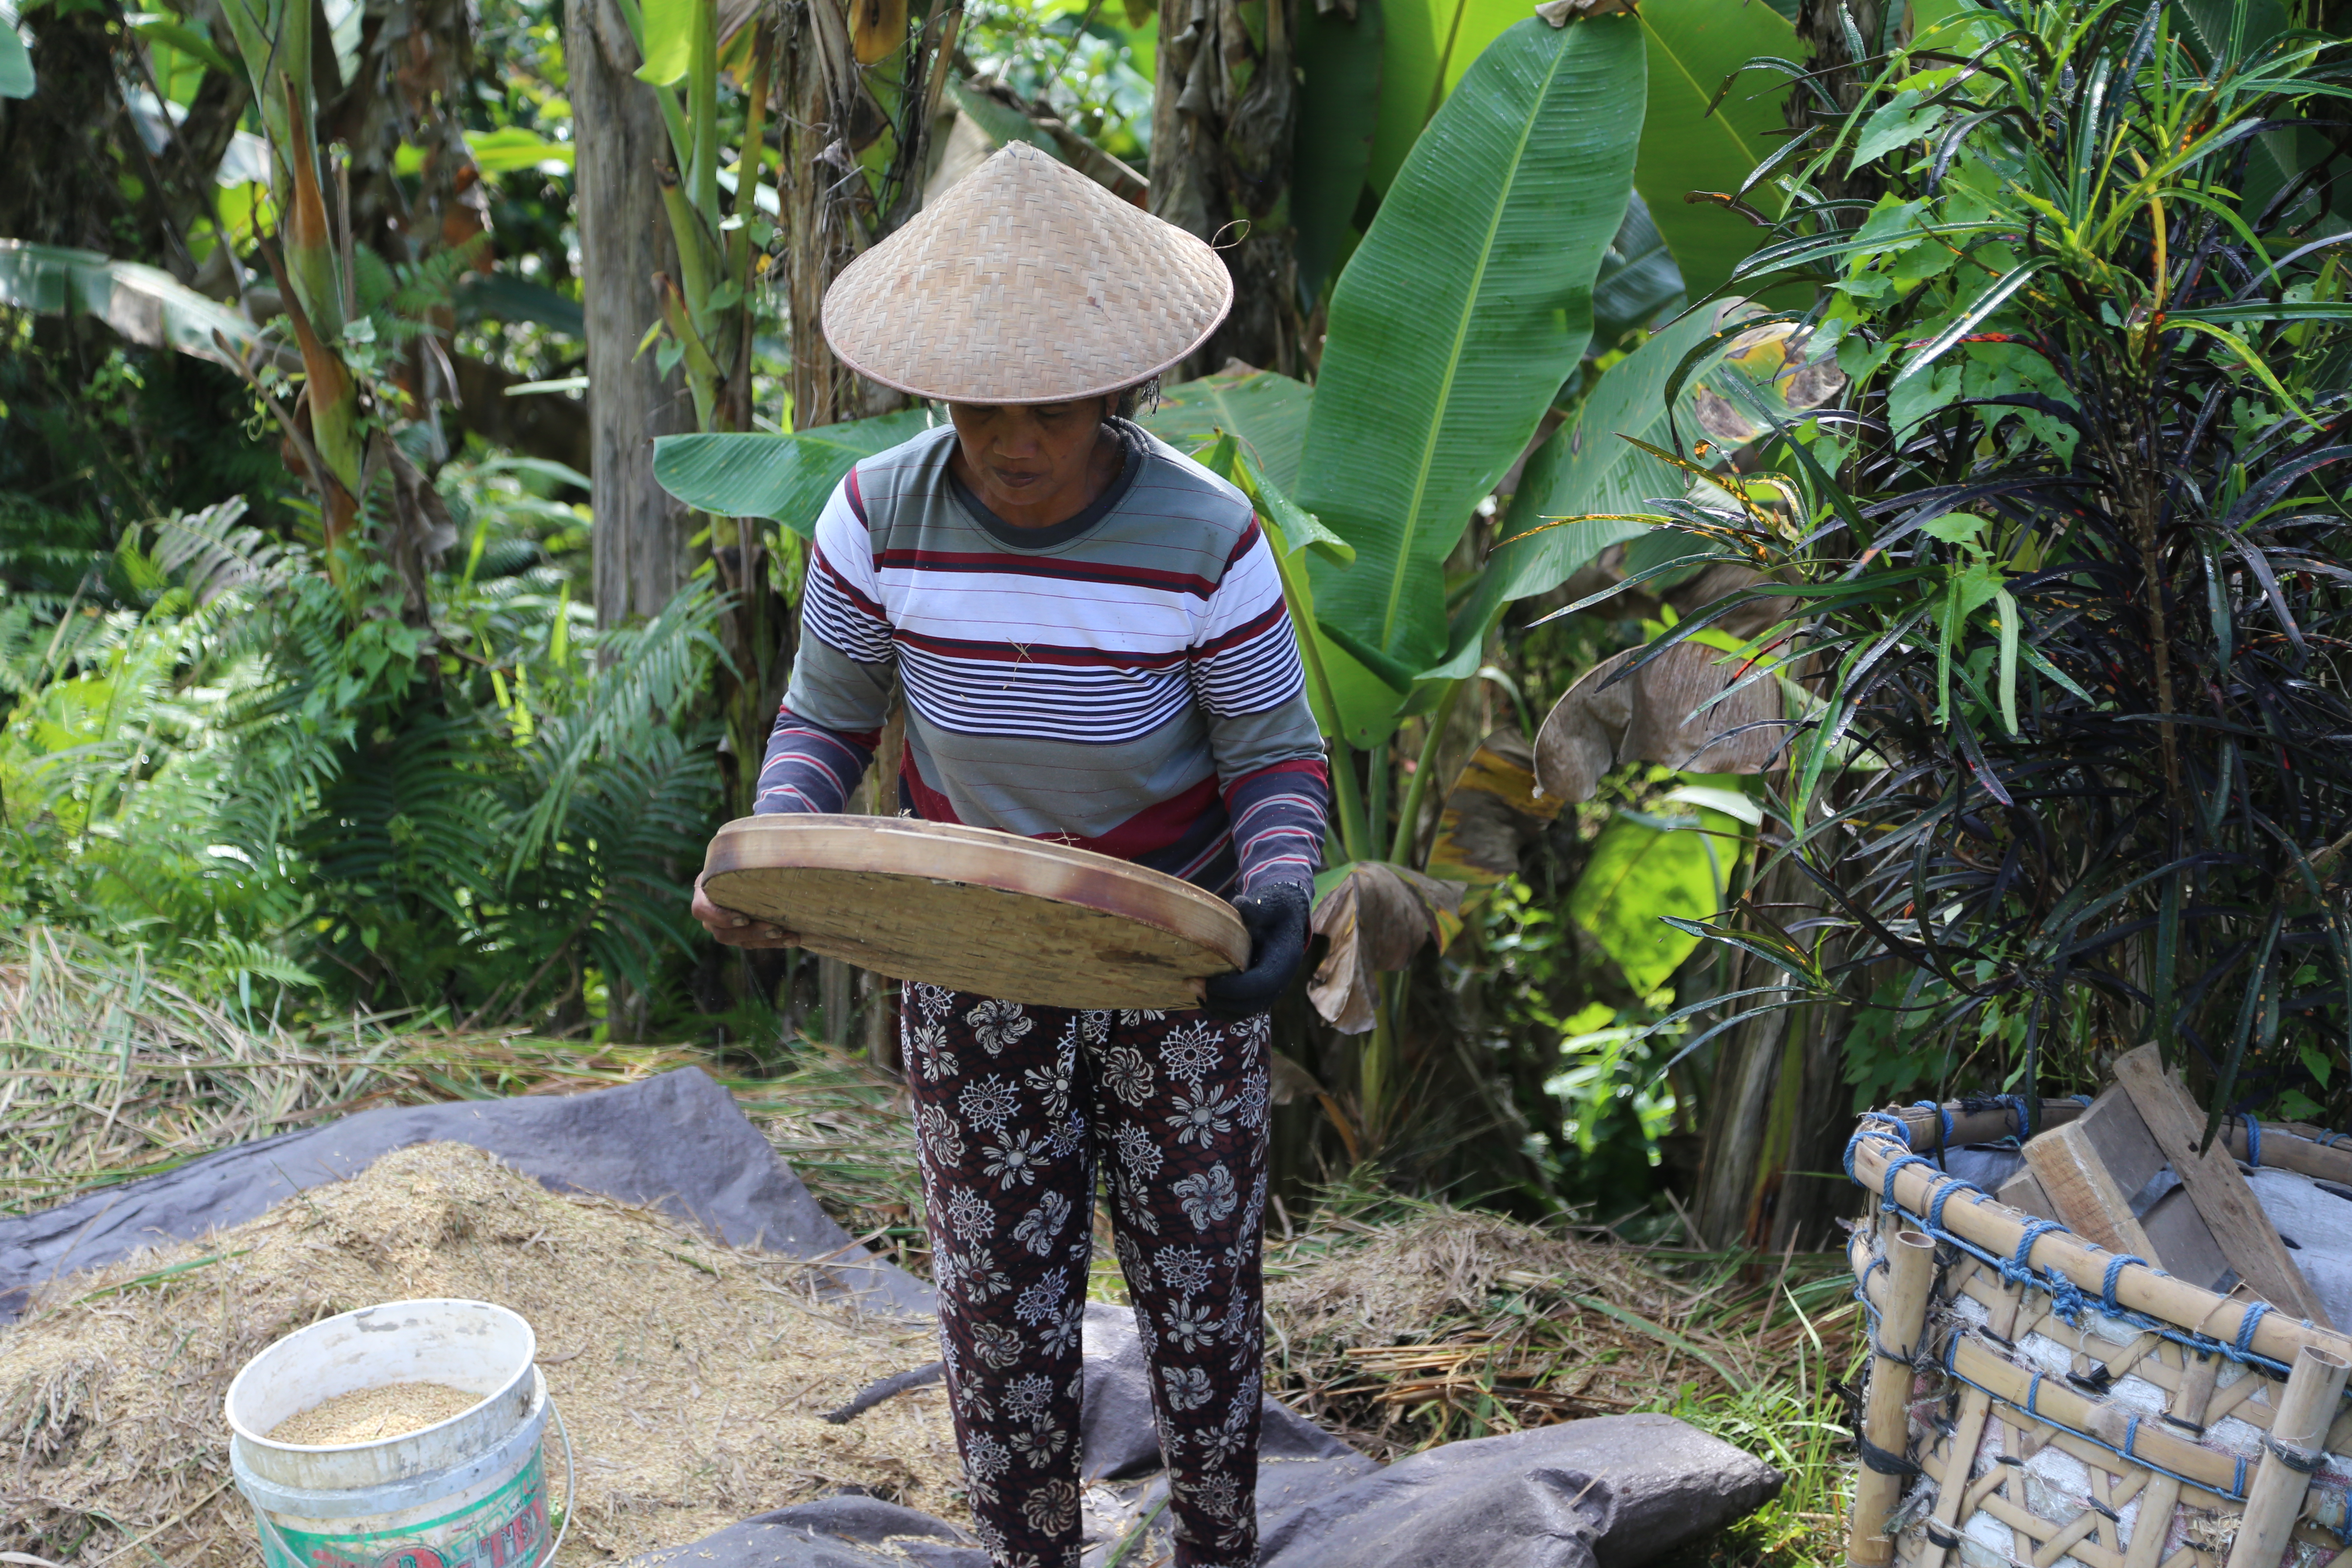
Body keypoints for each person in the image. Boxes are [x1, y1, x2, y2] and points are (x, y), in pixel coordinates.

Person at [690, 141, 1329, 1568]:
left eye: (1048, 411)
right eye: (981, 411)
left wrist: (1280, 887)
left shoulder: (1206, 539)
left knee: (1201, 1286)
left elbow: (1274, 758)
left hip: (1170, 958)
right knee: (999, 1299)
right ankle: (1027, 1550)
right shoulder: (874, 519)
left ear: (1117, 393)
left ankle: (1216, 1544)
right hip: (967, 950)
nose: (1013, 443)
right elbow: (826, 719)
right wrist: (774, 853)